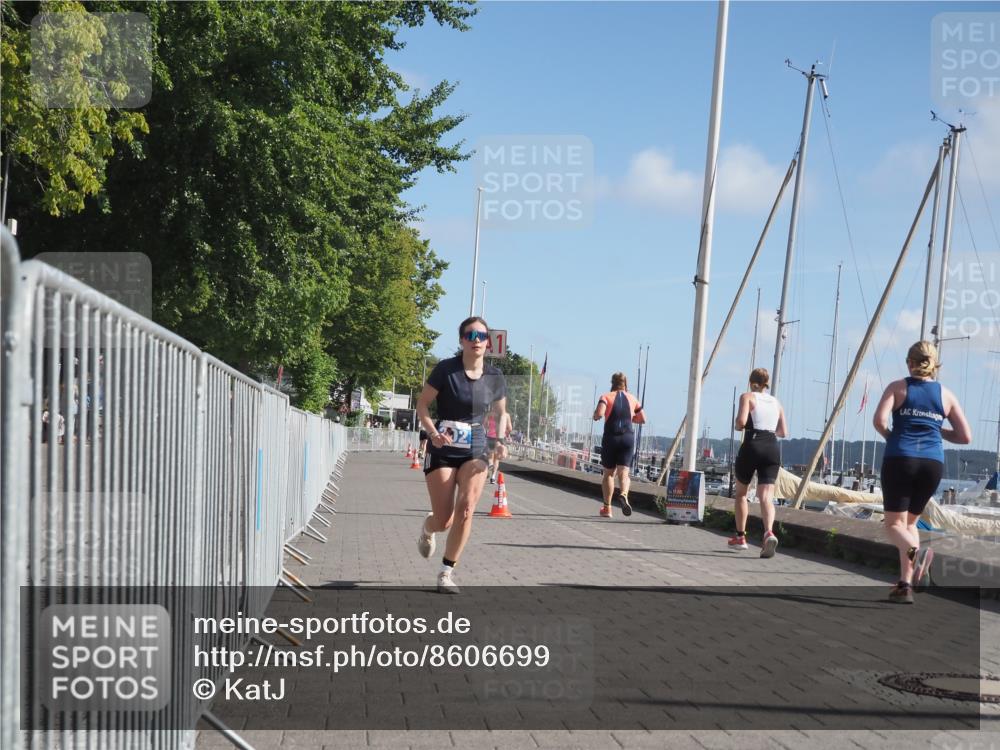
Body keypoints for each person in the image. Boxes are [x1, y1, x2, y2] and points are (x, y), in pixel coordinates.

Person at [415, 316, 509, 594]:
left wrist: (500, 441)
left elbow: (501, 413)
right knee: (444, 519)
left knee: (466, 509)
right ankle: (428, 528)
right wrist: (432, 433)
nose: (476, 340)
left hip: (476, 445)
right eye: (470, 335)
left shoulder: (495, 377)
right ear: (461, 340)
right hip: (443, 445)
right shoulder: (446, 370)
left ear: (488, 342)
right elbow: (422, 406)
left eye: (481, 335)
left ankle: (446, 572)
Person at [873, 341, 971, 604]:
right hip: (932, 463)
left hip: (900, 458)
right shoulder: (946, 395)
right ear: (934, 364)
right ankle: (905, 585)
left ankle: (917, 553)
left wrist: (892, 437)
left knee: (893, 525)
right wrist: (938, 430)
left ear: (909, 362)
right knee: (910, 524)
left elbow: (879, 421)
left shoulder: (897, 387)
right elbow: (965, 436)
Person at [730, 368, 788, 557]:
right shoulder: (776, 402)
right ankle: (769, 532)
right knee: (766, 497)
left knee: (741, 493)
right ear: (766, 383)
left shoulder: (747, 397)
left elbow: (740, 422)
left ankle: (740, 537)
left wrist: (741, 425)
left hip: (752, 444)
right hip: (772, 446)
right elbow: (783, 432)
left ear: (751, 382)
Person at [592, 372, 645, 518]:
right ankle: (623, 494)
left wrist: (595, 416)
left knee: (609, 474)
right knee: (624, 474)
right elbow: (642, 418)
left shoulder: (606, 397)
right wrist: (630, 418)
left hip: (611, 438)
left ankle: (607, 509)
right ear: (625, 384)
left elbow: (600, 413)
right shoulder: (633, 398)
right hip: (627, 438)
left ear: (612, 383)